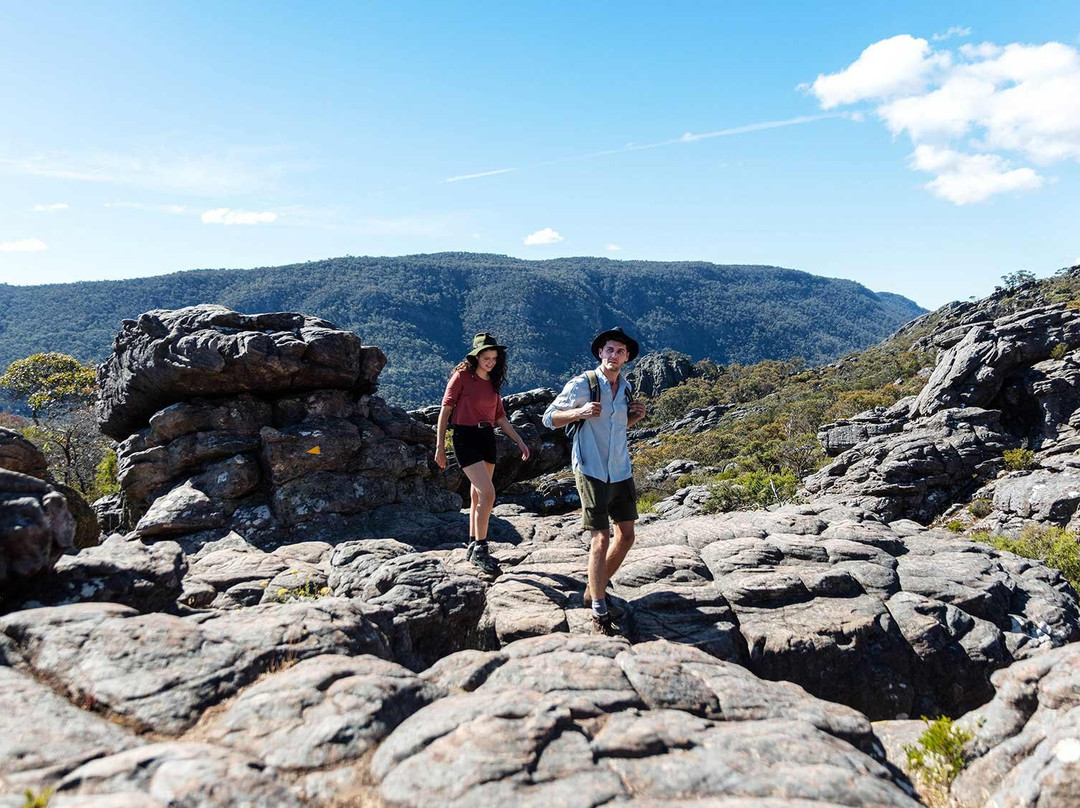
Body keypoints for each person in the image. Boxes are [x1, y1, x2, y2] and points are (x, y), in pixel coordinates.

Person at [542, 326, 646, 634]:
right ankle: (599, 610)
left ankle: (592, 592)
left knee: (626, 535)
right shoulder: (583, 384)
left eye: (621, 351)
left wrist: (635, 418)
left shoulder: (625, 388)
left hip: (619, 468)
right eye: (610, 350)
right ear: (601, 353)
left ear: (626, 357)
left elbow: (618, 426)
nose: (615, 355)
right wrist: (579, 412)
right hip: (590, 467)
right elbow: (549, 418)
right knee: (601, 537)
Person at [435, 332, 530, 574]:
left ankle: (471, 542)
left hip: (487, 437)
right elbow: (444, 413)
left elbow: (500, 417)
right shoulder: (462, 377)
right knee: (488, 493)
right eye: (486, 357)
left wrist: (519, 440)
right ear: (476, 356)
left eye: (494, 358)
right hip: (465, 437)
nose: (490, 362)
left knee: (478, 495)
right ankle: (481, 548)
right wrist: (440, 448)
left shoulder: (493, 382)